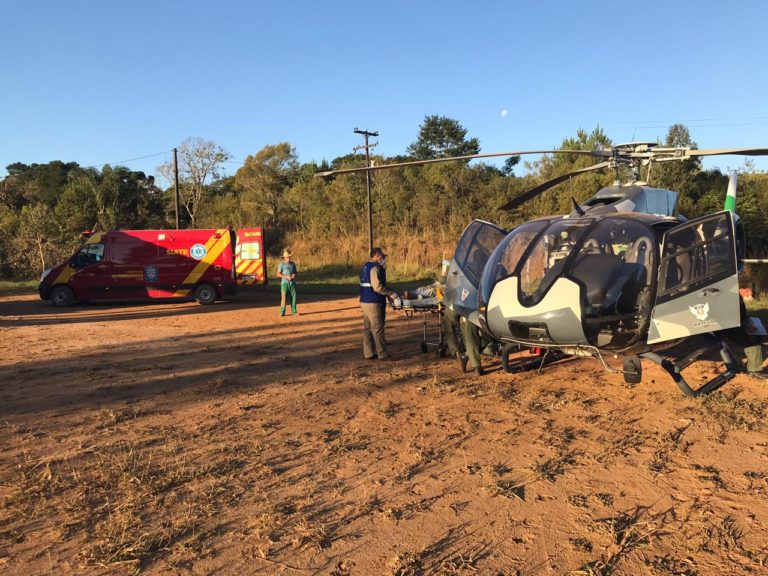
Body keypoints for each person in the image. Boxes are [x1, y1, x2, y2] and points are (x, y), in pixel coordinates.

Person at [360, 247, 398, 360]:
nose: (383, 259)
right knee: (377, 328)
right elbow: (377, 287)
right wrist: (391, 294)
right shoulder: (374, 268)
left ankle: (368, 353)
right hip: (373, 301)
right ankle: (382, 353)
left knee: (367, 328)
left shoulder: (365, 266)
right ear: (376, 256)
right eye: (382, 256)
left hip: (365, 300)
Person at [276, 249, 297, 316]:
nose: (288, 258)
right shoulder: (281, 264)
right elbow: (278, 274)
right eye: (287, 257)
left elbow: (295, 272)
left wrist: (294, 275)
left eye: (289, 257)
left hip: (292, 283)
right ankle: (282, 312)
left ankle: (294, 312)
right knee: (284, 298)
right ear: (284, 258)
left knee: (293, 297)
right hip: (284, 284)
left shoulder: (293, 264)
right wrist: (286, 277)